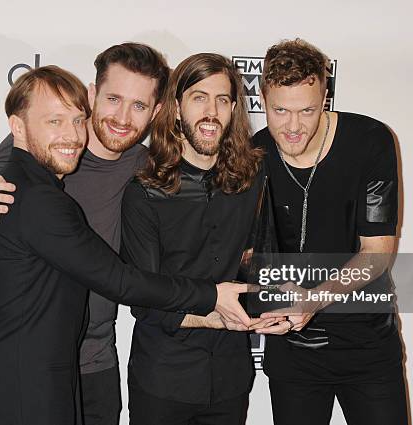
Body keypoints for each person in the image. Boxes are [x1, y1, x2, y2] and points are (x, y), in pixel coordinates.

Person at [0, 65, 252, 425]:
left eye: (75, 121)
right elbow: (119, 280)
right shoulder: (29, 194)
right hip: (24, 388)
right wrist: (211, 296)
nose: (71, 135)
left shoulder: (137, 167)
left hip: (49, 370)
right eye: (54, 122)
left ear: (157, 112)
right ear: (18, 129)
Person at [0, 42, 169, 425]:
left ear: (155, 112)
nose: (123, 117)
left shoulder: (145, 167)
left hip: (95, 363)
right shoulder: (32, 147)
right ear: (92, 95)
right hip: (23, 362)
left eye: (139, 105)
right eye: (113, 98)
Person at [253, 39, 408, 425]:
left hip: (367, 344)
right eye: (280, 110)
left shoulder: (369, 141)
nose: (292, 126)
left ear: (325, 96)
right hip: (292, 350)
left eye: (307, 110)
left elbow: (377, 252)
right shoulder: (252, 155)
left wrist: (314, 300)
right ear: (262, 99)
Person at [121, 53, 277, 425]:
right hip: (163, 381)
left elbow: (262, 265)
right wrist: (218, 316)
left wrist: (284, 305)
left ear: (235, 109)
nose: (212, 111)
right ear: (176, 108)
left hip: (231, 380)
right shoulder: (144, 193)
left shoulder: (253, 181)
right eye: (199, 97)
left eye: (222, 100)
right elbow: (144, 300)